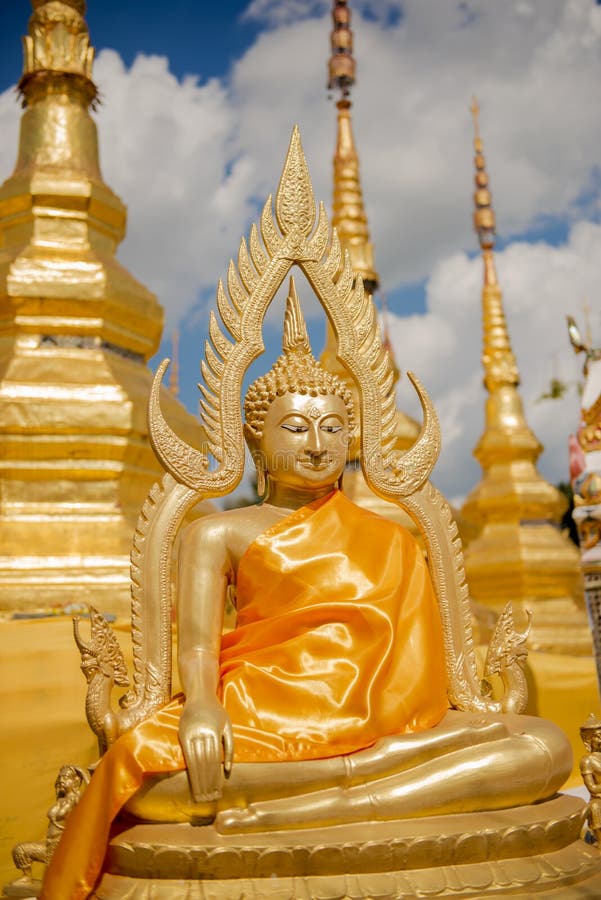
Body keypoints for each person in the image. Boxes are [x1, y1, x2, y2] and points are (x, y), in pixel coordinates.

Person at [42, 281, 570, 898]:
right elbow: (197, 651)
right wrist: (204, 705)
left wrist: (414, 734)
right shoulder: (216, 534)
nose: (318, 445)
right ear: (253, 437)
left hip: (389, 736)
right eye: (295, 427)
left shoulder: (395, 536)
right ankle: (348, 791)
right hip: (262, 723)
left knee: (543, 746)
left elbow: (424, 679)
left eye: (333, 428)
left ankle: (304, 807)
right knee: (151, 783)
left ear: (355, 437)